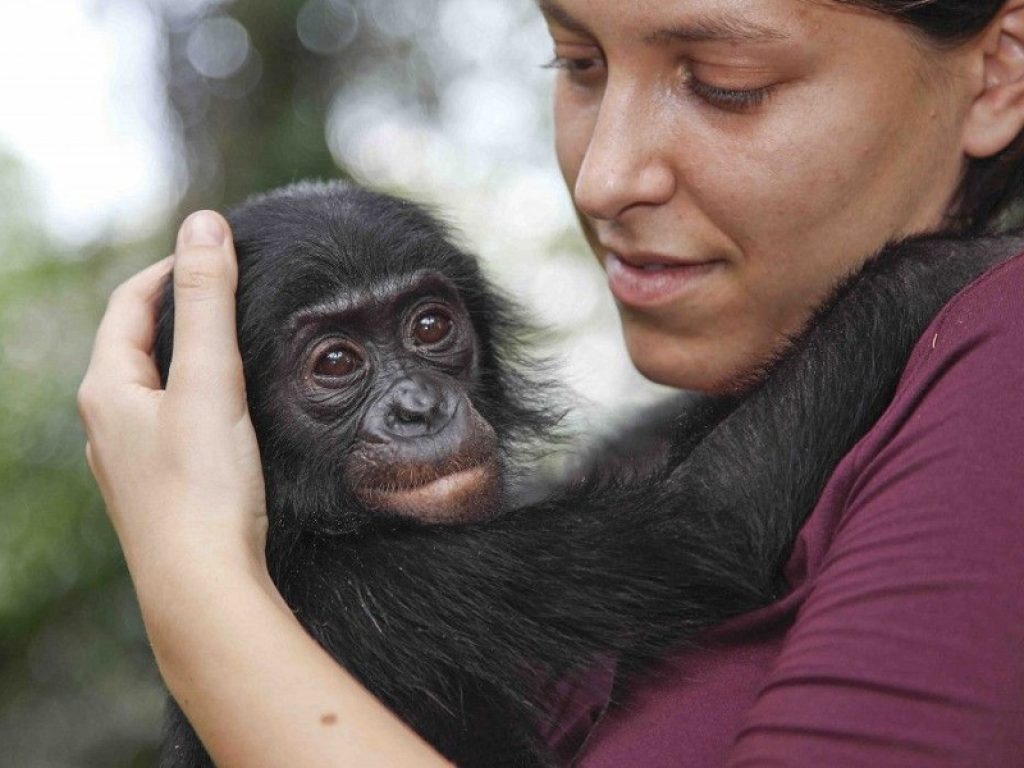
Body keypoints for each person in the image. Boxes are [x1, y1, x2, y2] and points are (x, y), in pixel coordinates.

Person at [78, 0, 1024, 765]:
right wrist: (913, 282)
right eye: (575, 63)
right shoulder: (349, 590)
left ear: (998, 71)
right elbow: (694, 529)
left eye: (728, 83)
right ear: (232, 419)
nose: (603, 180)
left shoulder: (995, 356)